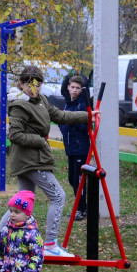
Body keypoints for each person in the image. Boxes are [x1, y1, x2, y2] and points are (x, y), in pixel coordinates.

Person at [0, 65, 90, 258]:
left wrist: (88, 115)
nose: (35, 88)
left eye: (38, 84)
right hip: (29, 160)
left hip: (34, 158)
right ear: (21, 84)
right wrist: (40, 140)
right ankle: (50, 243)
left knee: (22, 202)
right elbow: (15, 135)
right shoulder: (20, 106)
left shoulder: (42, 101)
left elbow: (61, 116)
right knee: (58, 196)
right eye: (31, 85)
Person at [0, 190, 44, 272]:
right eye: (10, 211)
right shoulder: (6, 230)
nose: (12, 214)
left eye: (17, 212)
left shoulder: (32, 233)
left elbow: (37, 257)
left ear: (27, 215)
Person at [58, 75, 90, 221]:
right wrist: (64, 125)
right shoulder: (67, 104)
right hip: (70, 148)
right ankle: (80, 207)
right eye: (73, 87)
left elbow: (85, 125)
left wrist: (72, 121)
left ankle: (82, 209)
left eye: (78, 88)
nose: (75, 91)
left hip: (80, 149)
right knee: (72, 180)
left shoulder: (82, 105)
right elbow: (61, 120)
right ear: (68, 88)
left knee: (79, 181)